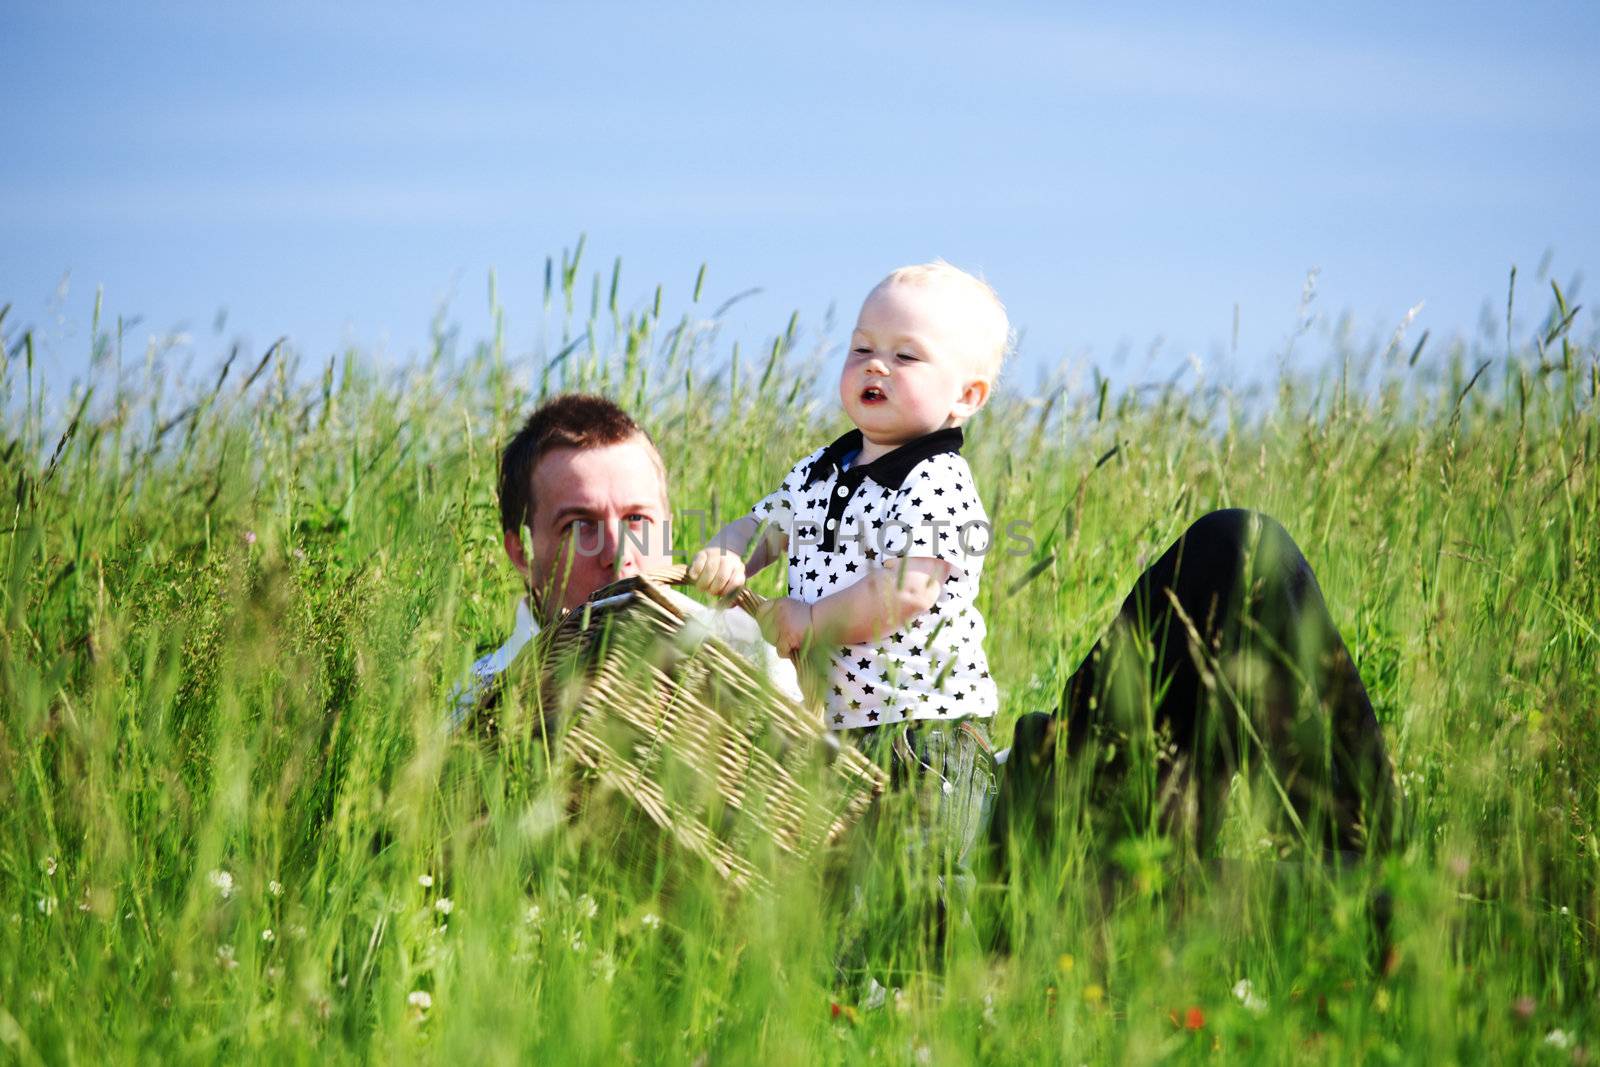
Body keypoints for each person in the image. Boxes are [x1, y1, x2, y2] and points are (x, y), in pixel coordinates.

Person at [688, 260, 1009, 911]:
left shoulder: (938, 481)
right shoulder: (822, 469)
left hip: (926, 734)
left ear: (966, 396)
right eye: (863, 347)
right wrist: (729, 553)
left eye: (906, 355)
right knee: (849, 879)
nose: (876, 365)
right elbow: (767, 526)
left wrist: (811, 620)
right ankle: (858, 986)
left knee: (924, 880)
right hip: (841, 731)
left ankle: (948, 967)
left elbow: (907, 589)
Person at [448, 392, 799, 729]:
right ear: (522, 553)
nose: (618, 555)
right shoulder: (479, 699)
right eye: (579, 525)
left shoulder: (749, 654)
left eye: (637, 519)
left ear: (668, 526)